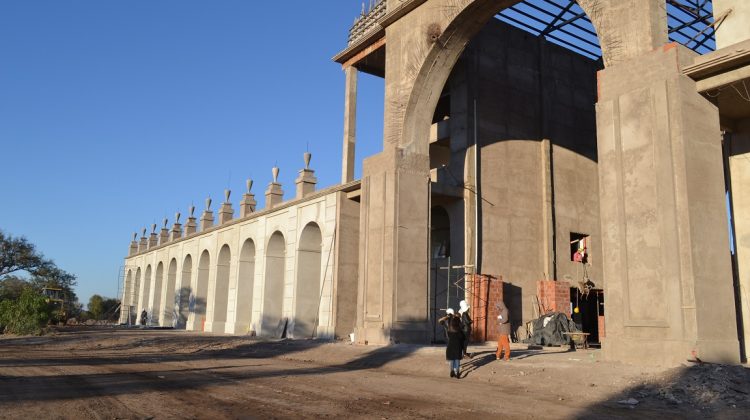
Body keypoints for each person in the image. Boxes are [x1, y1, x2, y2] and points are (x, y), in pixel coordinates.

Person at [438, 309, 464, 378]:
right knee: (457, 358)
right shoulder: (459, 328)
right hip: (457, 344)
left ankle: (452, 371)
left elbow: (440, 321)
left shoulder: (449, 325)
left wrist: (446, 317)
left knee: (452, 358)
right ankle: (457, 372)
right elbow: (462, 337)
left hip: (450, 341)